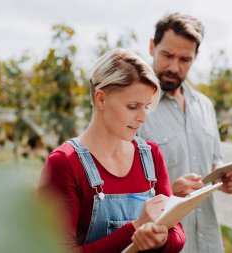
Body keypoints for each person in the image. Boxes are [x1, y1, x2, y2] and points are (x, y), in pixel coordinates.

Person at [38, 48, 185, 253]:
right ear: (101, 99)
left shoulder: (150, 155)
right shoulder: (65, 163)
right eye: (133, 106)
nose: (143, 117)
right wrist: (133, 231)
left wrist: (162, 241)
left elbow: (176, 230)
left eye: (147, 107)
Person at [138, 13, 232, 253]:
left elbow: (216, 162)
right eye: (167, 55)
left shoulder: (204, 106)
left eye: (185, 59)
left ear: (196, 57)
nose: (174, 67)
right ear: (152, 46)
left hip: (208, 243)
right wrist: (169, 192)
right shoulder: (135, 107)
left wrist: (226, 178)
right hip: (164, 245)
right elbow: (117, 192)